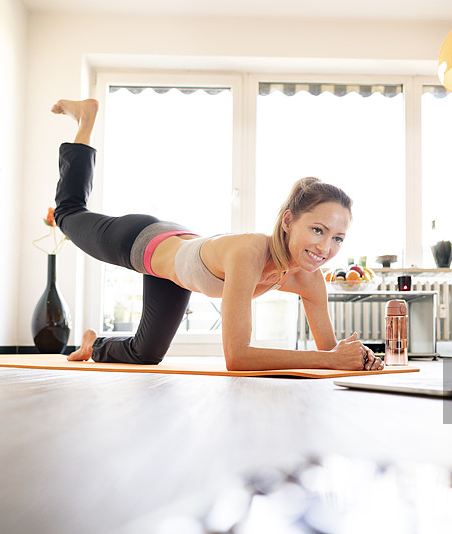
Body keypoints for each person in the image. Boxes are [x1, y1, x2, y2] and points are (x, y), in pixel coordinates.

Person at [51, 98, 382, 372]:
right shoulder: (250, 253)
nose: (325, 247)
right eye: (317, 230)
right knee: (68, 214)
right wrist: (330, 359)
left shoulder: (310, 280)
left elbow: (331, 353)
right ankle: (85, 119)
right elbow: (237, 358)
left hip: (177, 269)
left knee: (146, 354)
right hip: (141, 240)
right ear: (287, 221)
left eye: (338, 238)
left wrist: (358, 357)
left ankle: (93, 344)